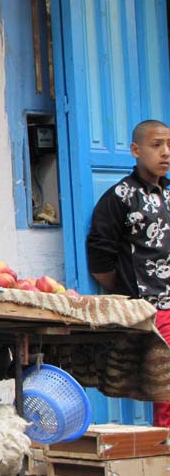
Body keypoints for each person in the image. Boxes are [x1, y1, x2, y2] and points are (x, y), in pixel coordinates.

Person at [86, 119, 170, 428]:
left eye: (169, 145)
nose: (165, 152)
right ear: (135, 150)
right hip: (153, 310)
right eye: (156, 144)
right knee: (167, 391)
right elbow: (100, 260)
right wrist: (131, 291)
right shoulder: (120, 197)